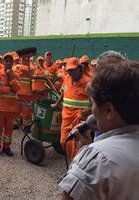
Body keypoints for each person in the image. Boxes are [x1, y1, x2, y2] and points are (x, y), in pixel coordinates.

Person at [58, 52, 139, 200]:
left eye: (94, 104)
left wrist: (85, 158)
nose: (92, 111)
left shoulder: (97, 159)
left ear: (108, 110)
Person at [52, 57, 91, 158]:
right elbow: (63, 92)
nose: (71, 73)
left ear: (79, 68)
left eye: (73, 70)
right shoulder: (66, 79)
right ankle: (75, 160)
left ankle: (77, 163)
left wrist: (90, 110)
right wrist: (57, 104)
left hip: (80, 118)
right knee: (63, 141)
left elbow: (95, 101)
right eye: (69, 70)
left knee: (80, 142)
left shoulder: (88, 83)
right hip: (66, 117)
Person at [0, 53, 20, 157]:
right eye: (6, 61)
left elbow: (17, 89)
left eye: (10, 61)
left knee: (9, 130)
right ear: (3, 62)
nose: (8, 63)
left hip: (11, 108)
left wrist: (11, 77)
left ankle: (6, 147)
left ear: (13, 62)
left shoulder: (16, 75)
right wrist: (9, 89)